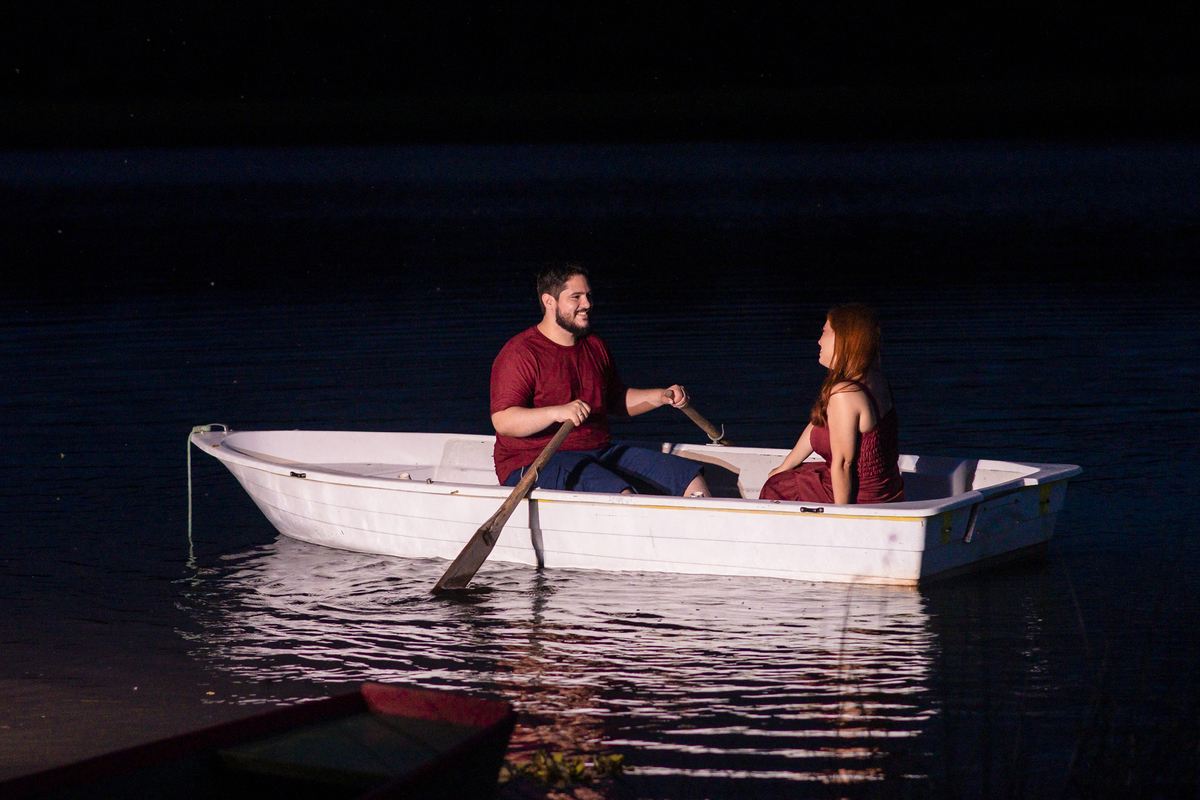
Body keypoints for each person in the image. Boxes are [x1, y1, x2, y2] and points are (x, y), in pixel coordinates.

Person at [490, 263, 711, 497]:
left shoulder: (594, 345)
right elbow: (504, 421)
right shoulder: (520, 352)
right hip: (535, 462)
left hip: (598, 451)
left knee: (689, 478)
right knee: (620, 494)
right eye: (575, 297)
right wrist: (556, 412)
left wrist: (660, 396)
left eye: (588, 296)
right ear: (549, 301)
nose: (587, 304)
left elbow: (614, 400)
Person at [760, 303, 905, 505]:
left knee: (778, 487)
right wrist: (784, 466)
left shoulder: (845, 394)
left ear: (843, 339)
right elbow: (819, 424)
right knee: (783, 476)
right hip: (888, 489)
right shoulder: (874, 378)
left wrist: (841, 518)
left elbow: (843, 464)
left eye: (825, 332)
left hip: (862, 498)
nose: (819, 341)